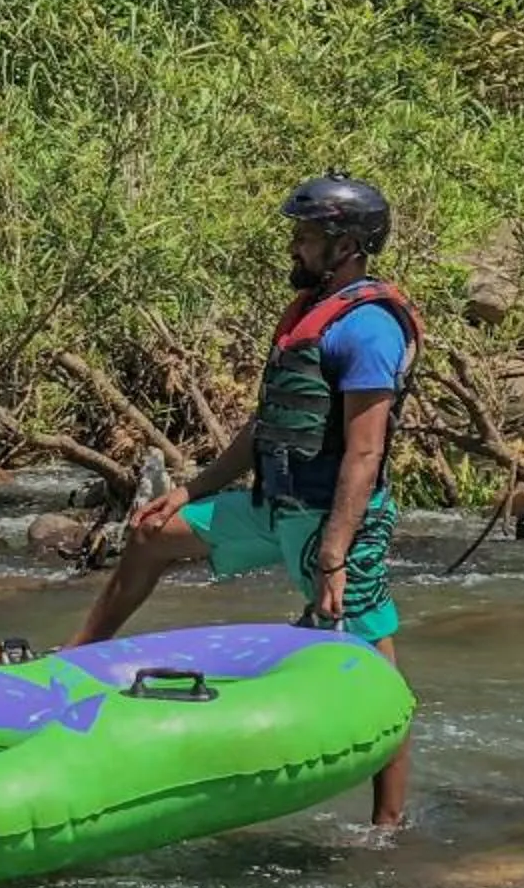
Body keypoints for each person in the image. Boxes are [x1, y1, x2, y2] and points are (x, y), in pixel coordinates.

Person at [74, 175, 421, 826]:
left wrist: (337, 554)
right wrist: (191, 489)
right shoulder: (311, 315)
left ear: (347, 246)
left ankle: (387, 828)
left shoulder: (369, 330)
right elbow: (266, 426)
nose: (295, 245)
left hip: (334, 522)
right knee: (153, 534)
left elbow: (365, 453)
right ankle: (76, 657)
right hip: (274, 506)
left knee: (376, 671)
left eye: (308, 235)